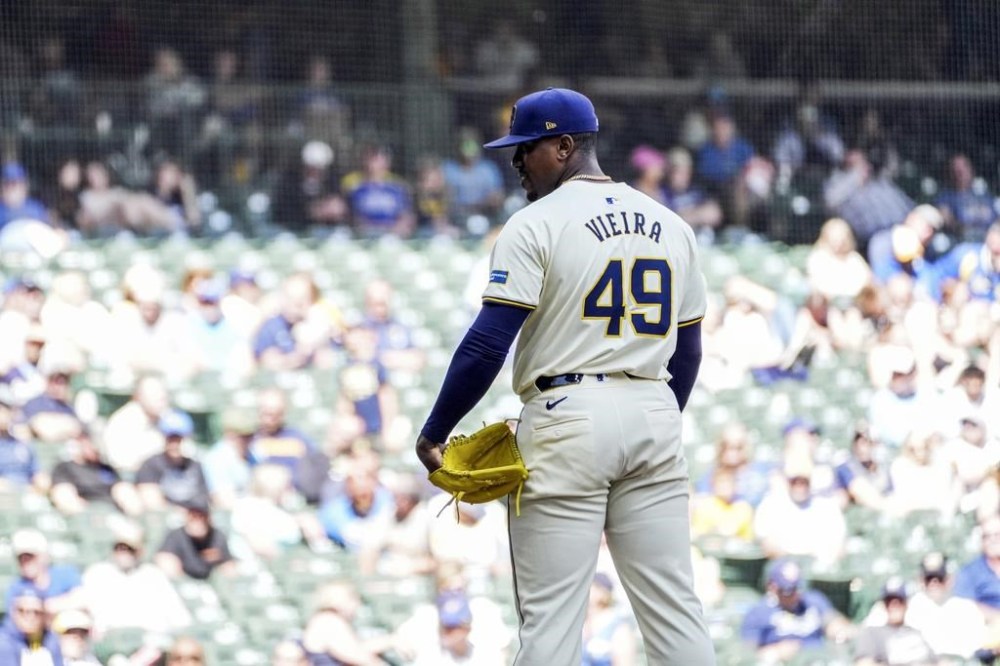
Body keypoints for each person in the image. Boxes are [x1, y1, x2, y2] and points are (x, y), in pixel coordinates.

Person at [415, 88, 715, 664]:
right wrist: (649, 415)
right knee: (677, 615)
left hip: (568, 416)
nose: (517, 162)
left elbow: (487, 343)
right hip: (654, 411)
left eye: (526, 148)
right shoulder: (671, 225)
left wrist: (435, 432)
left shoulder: (535, 224)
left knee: (551, 626)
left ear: (564, 145)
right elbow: (690, 351)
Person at [80, 519, 192, 635]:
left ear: (139, 551)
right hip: (110, 640)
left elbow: (180, 618)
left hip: (149, 641)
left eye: (130, 549)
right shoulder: (97, 573)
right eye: (120, 548)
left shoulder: (153, 575)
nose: (124, 553)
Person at [741, 559, 854, 663]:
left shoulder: (813, 600)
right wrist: (776, 651)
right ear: (772, 587)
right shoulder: (758, 613)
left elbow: (833, 620)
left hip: (817, 656)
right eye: (788, 591)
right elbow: (748, 654)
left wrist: (838, 629)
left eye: (797, 589)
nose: (795, 595)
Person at [49, 427, 142, 516]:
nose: (96, 448)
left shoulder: (107, 468)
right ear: (82, 441)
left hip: (115, 514)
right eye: (93, 443)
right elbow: (65, 498)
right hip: (89, 517)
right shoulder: (65, 468)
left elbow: (124, 492)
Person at [134, 410, 210, 512]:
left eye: (178, 439)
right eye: (170, 439)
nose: (174, 444)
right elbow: (152, 502)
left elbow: (204, 499)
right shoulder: (151, 465)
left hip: (194, 519)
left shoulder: (195, 466)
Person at [853, 577, 936, 665]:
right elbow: (864, 663)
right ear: (883, 605)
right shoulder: (872, 634)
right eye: (888, 601)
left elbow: (939, 662)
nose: (893, 605)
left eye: (899, 601)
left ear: (906, 604)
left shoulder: (917, 633)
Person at [4, 529, 83, 616]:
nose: (25, 562)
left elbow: (82, 599)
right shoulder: (16, 587)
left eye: (30, 557)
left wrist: (46, 606)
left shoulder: (65, 574)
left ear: (44, 556)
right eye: (21, 558)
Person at [154, 498, 236, 580]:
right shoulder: (176, 536)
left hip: (209, 581)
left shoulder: (217, 536)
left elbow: (228, 565)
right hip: (184, 580)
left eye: (202, 516)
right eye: (193, 516)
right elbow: (165, 559)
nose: (198, 520)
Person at [0, 589, 64, 665]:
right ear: (13, 613)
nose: (30, 617)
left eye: (36, 612)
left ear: (44, 615)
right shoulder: (4, 642)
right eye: (22, 611)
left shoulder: (51, 639)